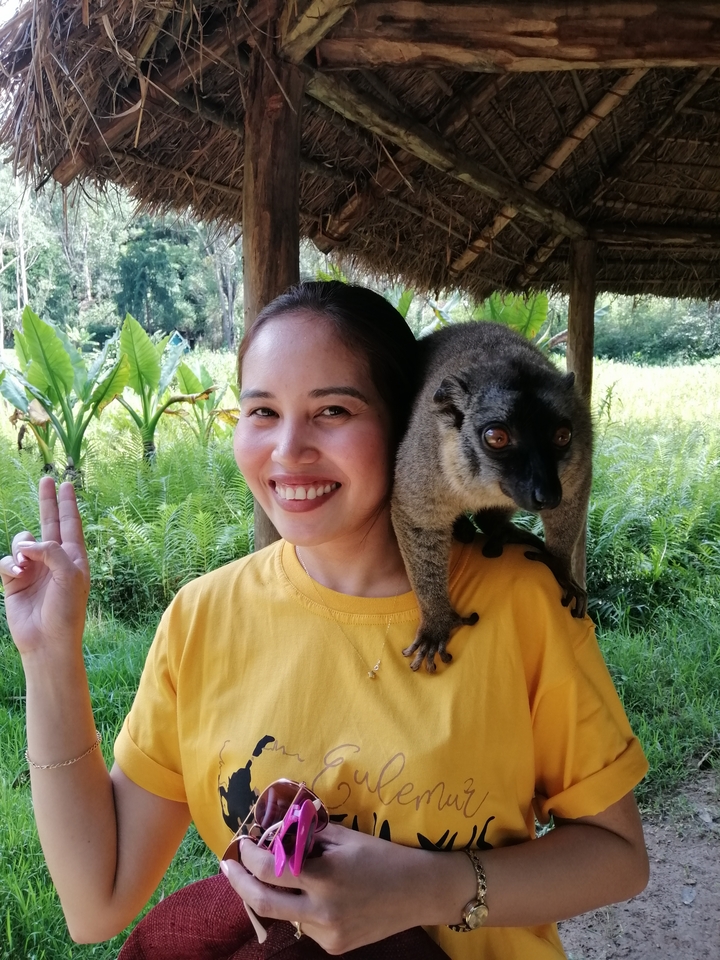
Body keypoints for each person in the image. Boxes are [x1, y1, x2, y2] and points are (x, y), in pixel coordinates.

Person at [0, 280, 649, 960]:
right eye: (261, 412)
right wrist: (47, 655)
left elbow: (619, 858)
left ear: (409, 419)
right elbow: (95, 903)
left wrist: (430, 888)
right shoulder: (202, 615)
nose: (288, 450)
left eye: (331, 410)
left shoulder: (522, 603)